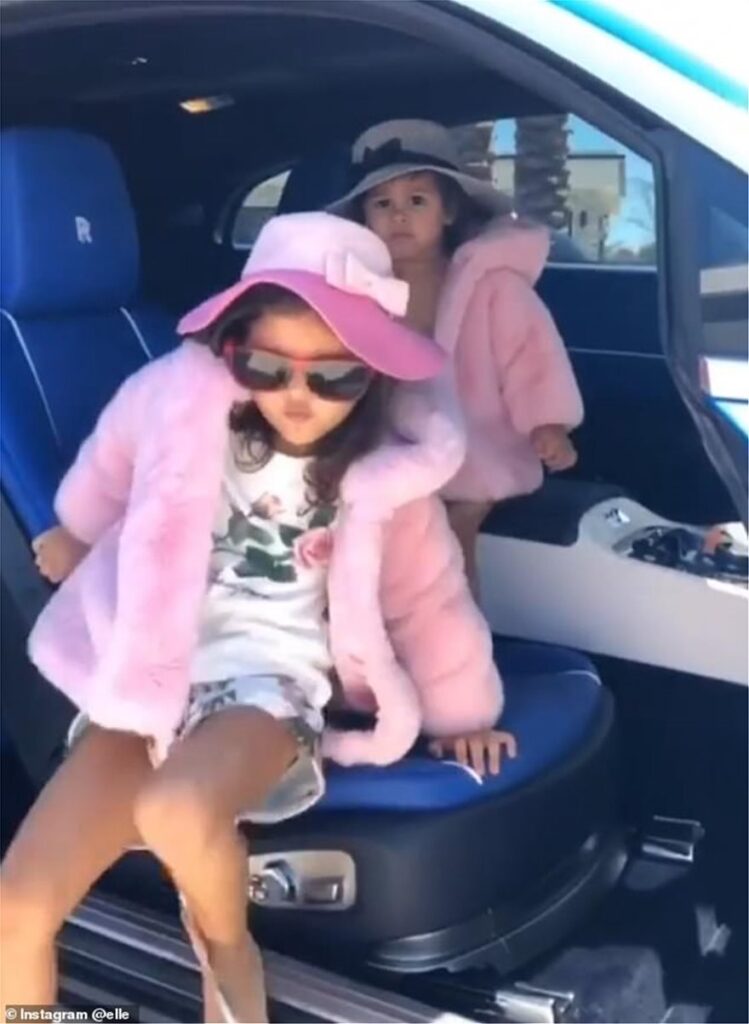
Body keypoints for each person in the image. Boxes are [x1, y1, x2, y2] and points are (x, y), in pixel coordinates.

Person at [0, 212, 514, 1024]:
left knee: (176, 809)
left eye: (332, 378)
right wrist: (77, 527)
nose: (296, 396)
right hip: (148, 674)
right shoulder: (179, 405)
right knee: (15, 909)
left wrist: (463, 713)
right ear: (233, 350)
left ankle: (228, 949)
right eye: (267, 367)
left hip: (268, 684)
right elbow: (114, 458)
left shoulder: (384, 480)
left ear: (373, 373)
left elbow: (428, 601)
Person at [330, 120, 584, 595]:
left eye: (416, 201)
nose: (399, 215)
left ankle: (458, 627)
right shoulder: (359, 290)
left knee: (453, 535)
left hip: (476, 451)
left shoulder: (491, 286)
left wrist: (547, 424)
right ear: (363, 219)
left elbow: (531, 356)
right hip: (388, 447)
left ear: (448, 211)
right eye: (382, 204)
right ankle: (371, 623)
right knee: (371, 530)